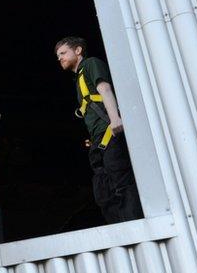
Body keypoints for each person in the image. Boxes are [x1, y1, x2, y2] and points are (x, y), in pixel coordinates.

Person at [55, 36, 142, 223]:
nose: (59, 58)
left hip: (109, 133)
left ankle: (134, 224)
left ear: (78, 51)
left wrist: (115, 119)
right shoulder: (78, 78)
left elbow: (104, 89)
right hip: (97, 141)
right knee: (103, 192)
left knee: (121, 183)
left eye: (63, 53)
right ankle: (119, 227)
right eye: (58, 56)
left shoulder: (91, 64)